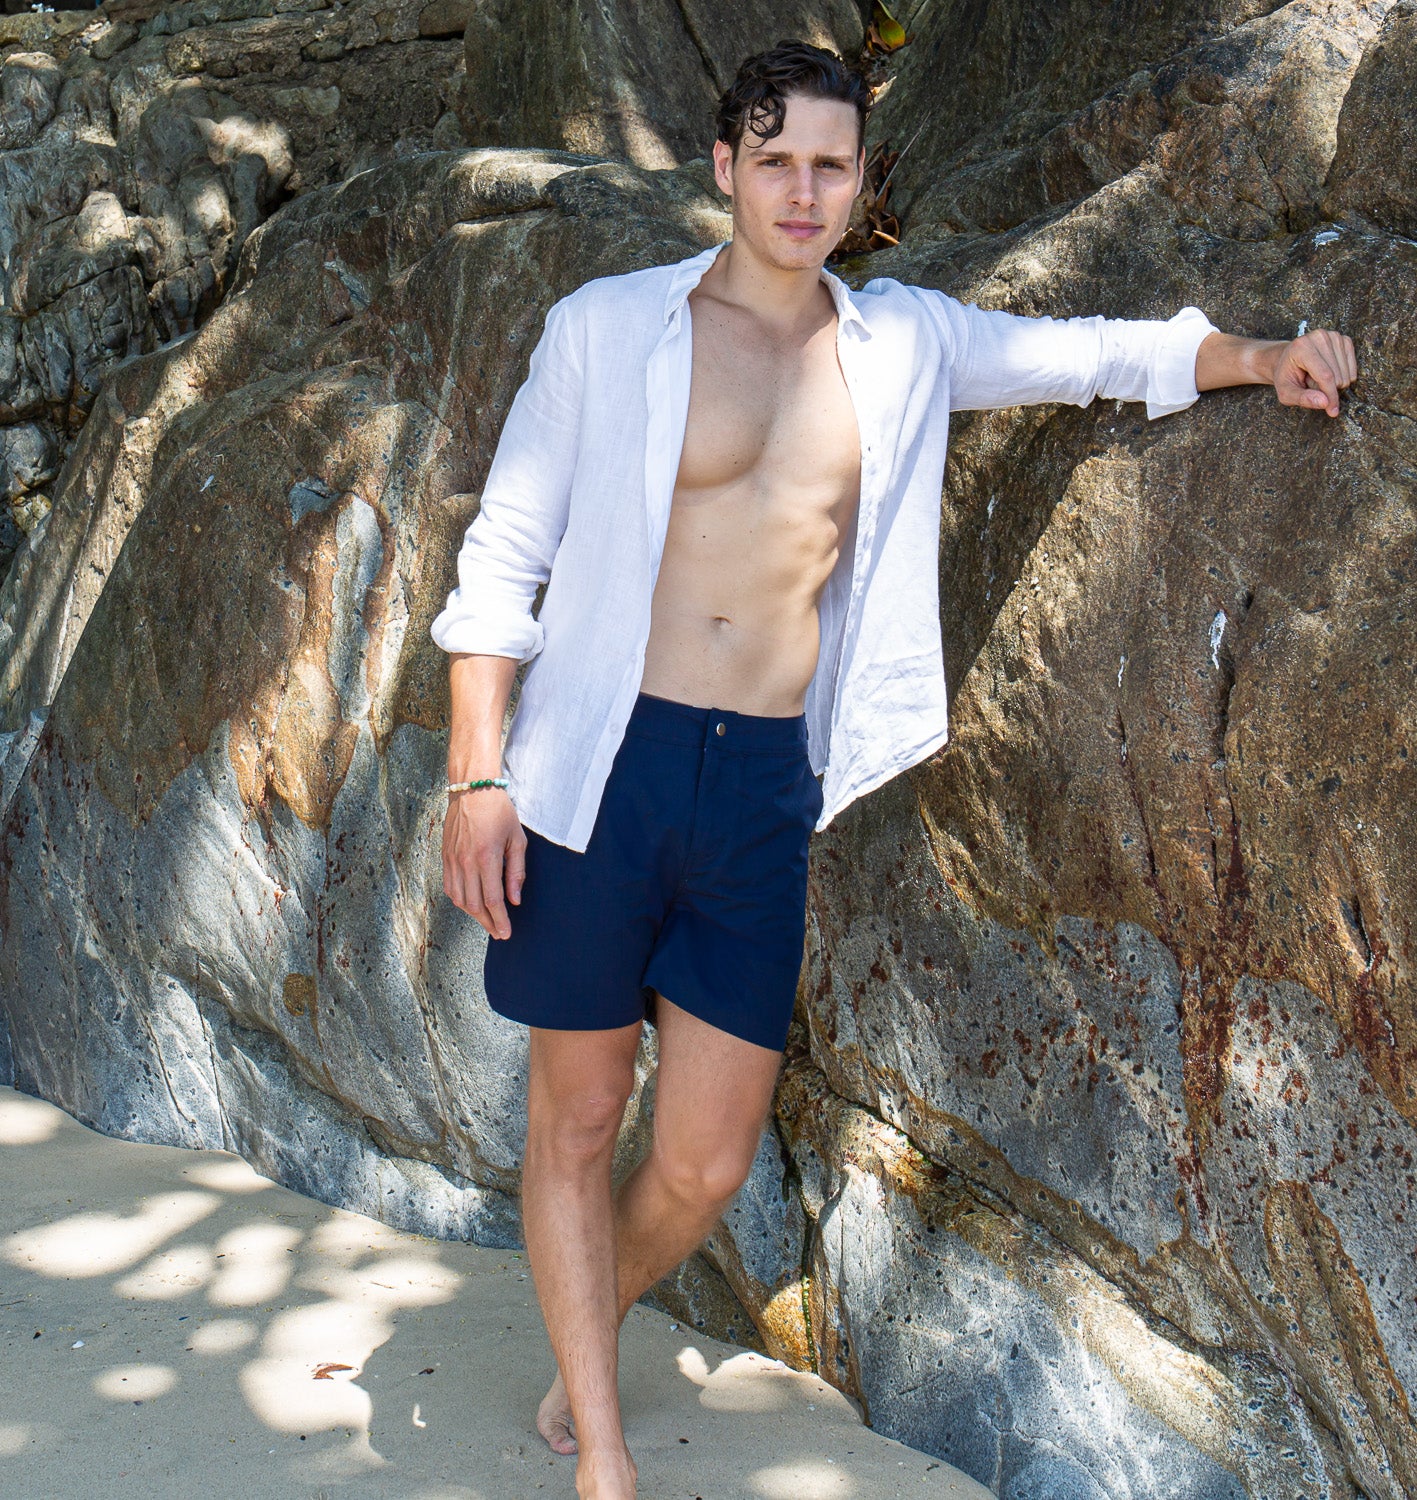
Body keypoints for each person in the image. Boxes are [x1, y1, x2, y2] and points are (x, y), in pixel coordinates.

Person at [429, 39, 1357, 1500]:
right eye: (775, 161)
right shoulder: (607, 328)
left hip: (759, 786)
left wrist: (1258, 356)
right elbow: (501, 564)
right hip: (600, 764)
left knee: (705, 1162)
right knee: (582, 1115)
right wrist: (477, 774)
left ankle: (586, 1321)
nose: (802, 192)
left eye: (831, 164)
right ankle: (602, 1448)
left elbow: (1087, 355)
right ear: (724, 166)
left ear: (863, 182)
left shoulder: (902, 344)